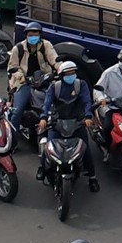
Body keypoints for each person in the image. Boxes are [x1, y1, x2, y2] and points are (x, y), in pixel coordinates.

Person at [41, 61, 99, 192]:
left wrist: (88, 116)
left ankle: (92, 178)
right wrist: (43, 118)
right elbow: (47, 103)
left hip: (77, 123)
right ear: (61, 75)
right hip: (57, 123)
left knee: (86, 149)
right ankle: (43, 170)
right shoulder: (54, 87)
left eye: (73, 73)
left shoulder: (81, 85)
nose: (71, 75)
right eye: (68, 74)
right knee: (47, 147)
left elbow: (87, 101)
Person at [5, 24, 58, 136]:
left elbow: (55, 60)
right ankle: (12, 139)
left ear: (40, 35)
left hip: (43, 80)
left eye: (35, 35)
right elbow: (12, 67)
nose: (33, 37)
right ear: (26, 36)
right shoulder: (18, 48)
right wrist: (21, 77)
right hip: (24, 82)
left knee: (55, 105)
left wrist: (62, 69)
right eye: (30, 35)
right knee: (17, 111)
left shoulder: (46, 45)